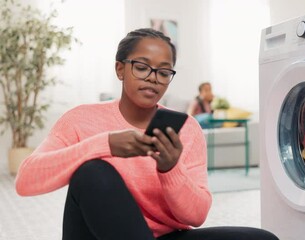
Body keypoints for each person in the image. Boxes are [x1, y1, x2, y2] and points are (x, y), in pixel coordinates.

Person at [15, 28, 278, 240]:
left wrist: (170, 169)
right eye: (142, 67)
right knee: (92, 171)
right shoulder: (80, 119)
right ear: (120, 69)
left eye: (164, 72)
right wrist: (105, 144)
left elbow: (196, 217)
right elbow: (26, 180)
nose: (153, 78)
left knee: (261, 239)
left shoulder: (186, 130)